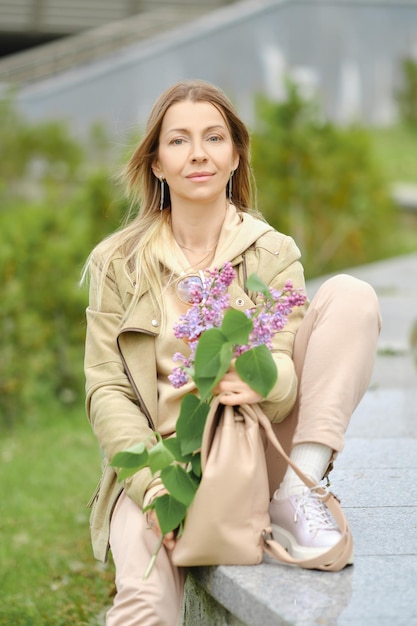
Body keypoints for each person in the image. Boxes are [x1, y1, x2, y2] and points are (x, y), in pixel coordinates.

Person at [83, 79, 381, 626]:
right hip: (165, 465)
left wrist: (267, 382)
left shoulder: (272, 251)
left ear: (235, 155)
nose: (198, 153)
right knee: (144, 607)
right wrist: (152, 489)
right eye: (178, 141)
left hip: (255, 452)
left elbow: (287, 357)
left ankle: (297, 493)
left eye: (214, 137)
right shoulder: (117, 263)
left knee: (352, 296)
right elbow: (107, 388)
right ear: (156, 163)